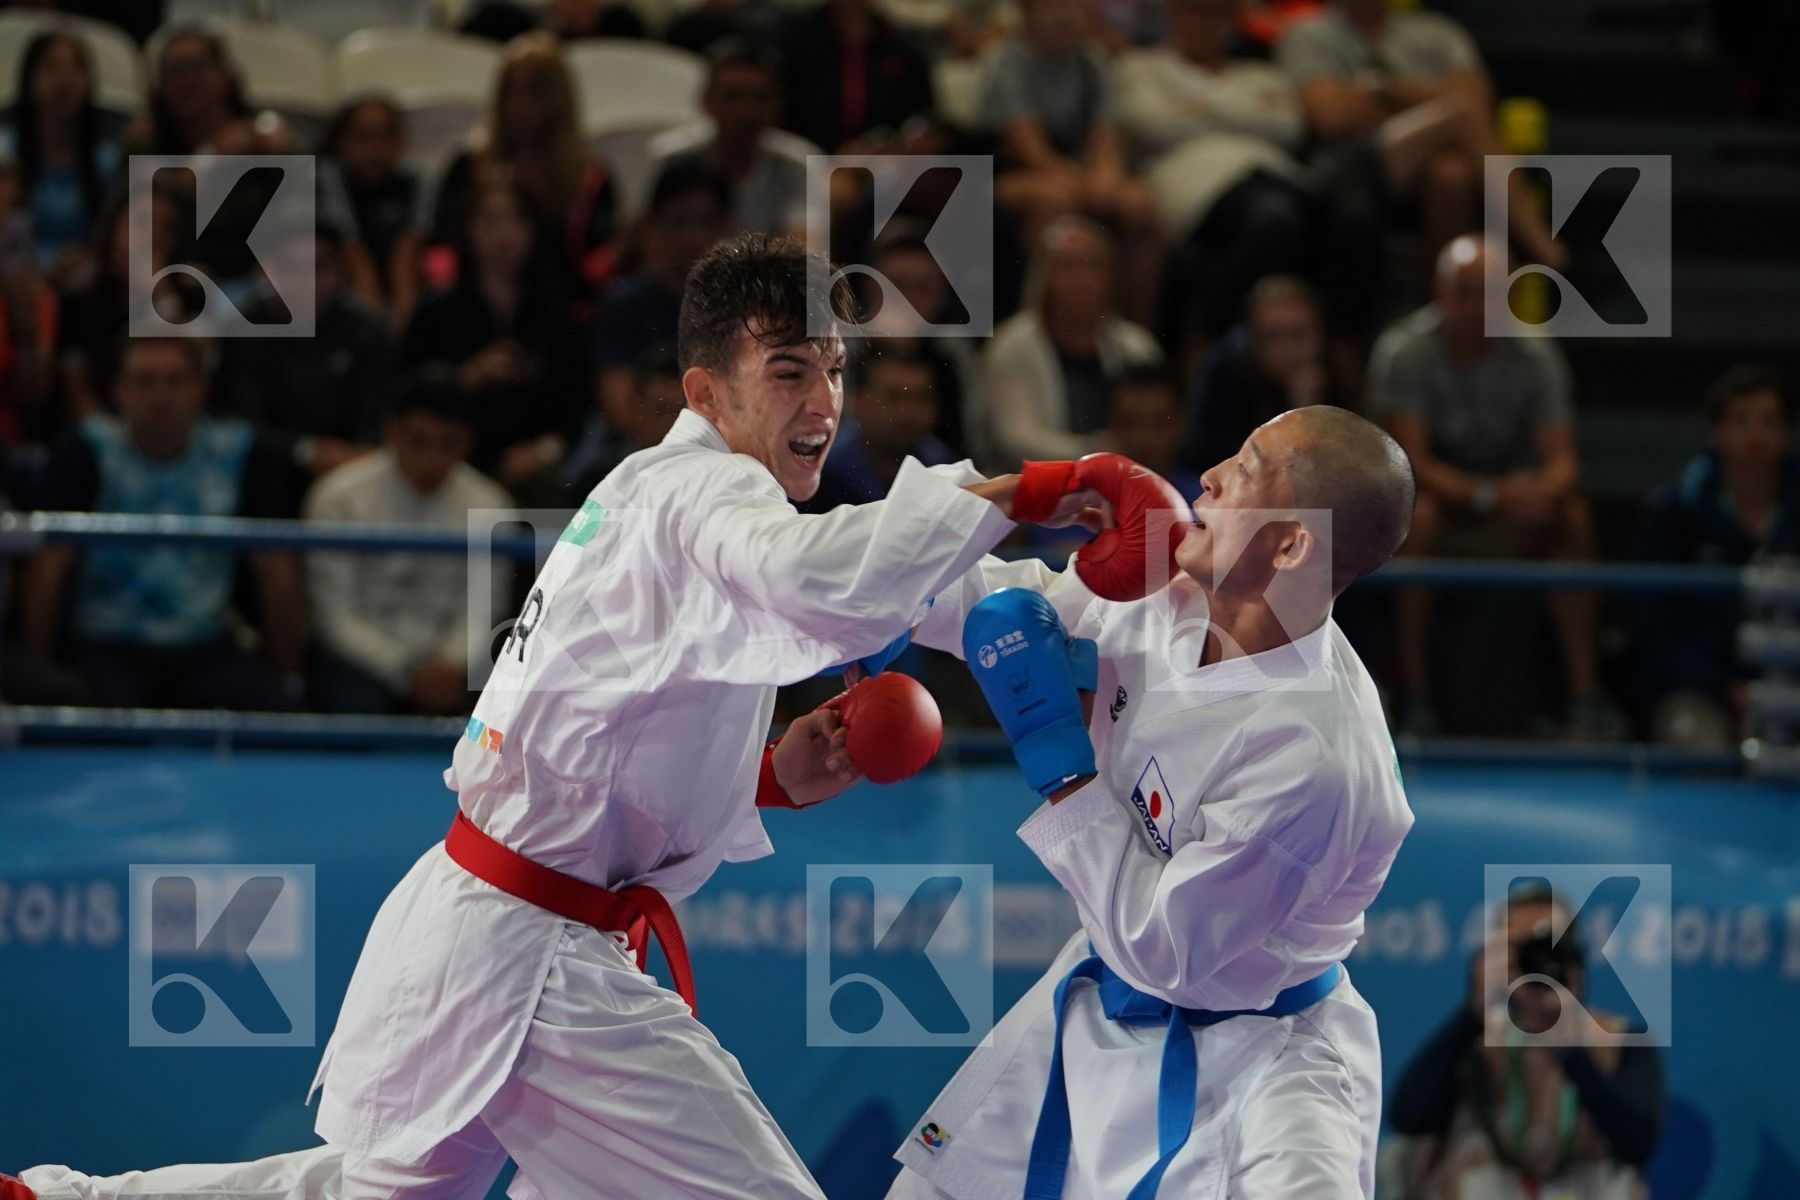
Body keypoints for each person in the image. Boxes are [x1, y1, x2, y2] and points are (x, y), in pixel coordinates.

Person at [6, 232, 1118, 1200]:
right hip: (538, 958)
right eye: (787, 370)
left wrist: (772, 772)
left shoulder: (670, 498)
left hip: (490, 923)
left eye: (833, 369)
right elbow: (829, 579)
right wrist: (1029, 489)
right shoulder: (702, 497)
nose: (823, 403)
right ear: (704, 391)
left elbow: (621, 717)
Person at [888, 404, 1418, 1198]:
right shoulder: (1168, 588)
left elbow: (1164, 951)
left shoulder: (1316, 757)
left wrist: (1060, 766)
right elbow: (959, 602)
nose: (1207, 475)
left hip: (1261, 1067)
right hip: (1093, 1006)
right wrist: (1018, 495)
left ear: (1292, 542)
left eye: (1245, 467)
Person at [1372, 237, 1615, 739]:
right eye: (1466, 292)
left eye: (1490, 293)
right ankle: (1413, 696)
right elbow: (1407, 463)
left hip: (1507, 513)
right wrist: (1490, 494)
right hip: (1437, 514)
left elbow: (1564, 461)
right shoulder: (1407, 353)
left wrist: (1537, 493)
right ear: (1439, 292)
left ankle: (1584, 699)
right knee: (1419, 519)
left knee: (1572, 519)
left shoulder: (1534, 356)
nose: (1478, 306)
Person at [18, 336, 305, 710]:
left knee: (276, 709)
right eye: (145, 381)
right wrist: (39, 672)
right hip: (107, 644)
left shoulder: (240, 453)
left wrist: (289, 673)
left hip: (205, 644)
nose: (161, 396)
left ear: (201, 387)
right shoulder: (86, 452)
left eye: (175, 380)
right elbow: (46, 571)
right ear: (119, 389)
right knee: (77, 706)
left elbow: (276, 573)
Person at [1388, 883, 1665, 1199]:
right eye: (1522, 951)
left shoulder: (1618, 1041)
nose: (1537, 964)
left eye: (1549, 947)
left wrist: (1570, 1049)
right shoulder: (1475, 1044)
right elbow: (1409, 1117)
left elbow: (1638, 1142)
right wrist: (1472, 1014)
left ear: (1573, 959)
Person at [1276, 0, 1563, 274]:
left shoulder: (1436, 31)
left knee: (1451, 175)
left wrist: (1387, 91)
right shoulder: (1309, 33)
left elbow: (1478, 98)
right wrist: (1435, 101)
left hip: (1431, 161)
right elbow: (1331, 116)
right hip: (1352, 164)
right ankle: (1544, 249)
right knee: (1459, 116)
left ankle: (1445, 300)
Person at [304, 369, 515, 716]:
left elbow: (482, 611)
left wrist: (453, 665)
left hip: (456, 666)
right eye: (418, 440)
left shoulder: (491, 504)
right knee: (356, 705)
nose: (432, 459)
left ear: (468, 442)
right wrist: (407, 670)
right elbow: (336, 617)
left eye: (448, 443)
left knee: (503, 714)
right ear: (392, 433)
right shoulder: (338, 498)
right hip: (360, 664)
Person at [1115, 0, 1310, 354]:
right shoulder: (1139, 67)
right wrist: (1248, 112)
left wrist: (1196, 107)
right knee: (1276, 221)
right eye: (1197, 10)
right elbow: (1150, 123)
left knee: (1347, 218)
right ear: (1172, 13)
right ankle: (1201, 332)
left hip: (1278, 179)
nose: (1207, 23)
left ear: (1235, 21)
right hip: (1197, 189)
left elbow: (1289, 126)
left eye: (1219, 13)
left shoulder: (1263, 74)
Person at [1632, 365, 1800, 746]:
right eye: (1741, 421)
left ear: (1787, 434)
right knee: (1694, 741)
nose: (1755, 435)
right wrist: (1724, 686)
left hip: (1791, 690)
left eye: (1769, 421)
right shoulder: (1674, 515)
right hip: (1700, 693)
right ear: (1716, 432)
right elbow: (1654, 631)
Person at [405, 171, 586, 501]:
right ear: (468, 230)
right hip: (451, 462)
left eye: (516, 220)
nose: (503, 236)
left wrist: (542, 451)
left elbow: (577, 408)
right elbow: (407, 400)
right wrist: (465, 378)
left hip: (537, 468)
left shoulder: (560, 315)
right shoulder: (434, 313)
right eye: (489, 220)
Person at [980, 0, 1163, 323]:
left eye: (1073, 7)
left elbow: (1106, 141)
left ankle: (1136, 331)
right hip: (1009, 175)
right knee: (1056, 201)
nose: (1064, 16)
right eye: (1051, 7)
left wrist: (1104, 181)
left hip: (1076, 175)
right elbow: (1031, 152)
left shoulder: (1095, 63)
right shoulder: (1006, 64)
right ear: (1027, 15)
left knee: (1139, 204)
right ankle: (1040, 325)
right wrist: (1088, 186)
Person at [428, 33, 620, 301]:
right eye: (511, 91)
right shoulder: (470, 165)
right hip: (476, 305)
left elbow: (597, 266)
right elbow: (442, 248)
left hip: (562, 312)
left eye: (534, 92)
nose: (519, 104)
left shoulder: (590, 177)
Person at [213, 221, 398, 493]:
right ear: (269, 270)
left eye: (317, 267)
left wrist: (351, 454)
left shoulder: (369, 331)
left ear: (337, 270)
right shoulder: (243, 327)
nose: (305, 281)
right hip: (265, 470)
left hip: (354, 467)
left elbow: (375, 414)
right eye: (292, 268)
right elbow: (239, 418)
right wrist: (304, 450)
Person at [986, 215, 1163, 465]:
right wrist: (1093, 451)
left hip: (1124, 474)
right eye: (1068, 266)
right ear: (1043, 277)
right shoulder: (1012, 346)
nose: (1081, 279)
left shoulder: (1137, 346)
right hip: (1033, 481)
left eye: (1092, 266)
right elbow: (1015, 437)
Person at [589, 157, 731, 467]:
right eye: (679, 221)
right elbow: (620, 408)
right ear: (651, 227)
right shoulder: (624, 303)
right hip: (642, 451)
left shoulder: (745, 306)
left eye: (706, 222)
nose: (693, 237)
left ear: (727, 227)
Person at [647, 38, 814, 237]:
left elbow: (804, 246)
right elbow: (649, 238)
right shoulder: (671, 158)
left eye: (760, 97)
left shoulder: (798, 165)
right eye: (732, 96)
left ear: (778, 104)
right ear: (706, 100)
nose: (746, 111)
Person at [1186, 274, 1348, 473]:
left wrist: (1308, 405)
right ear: (1251, 340)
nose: (1286, 350)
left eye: (1298, 334)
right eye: (1272, 337)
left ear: (1321, 333)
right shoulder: (1225, 379)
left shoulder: (1342, 378)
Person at [0, 30, 121, 288]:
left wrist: (89, 256)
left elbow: (110, 235)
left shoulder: (106, 158)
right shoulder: (6, 148)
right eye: (51, 68)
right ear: (29, 79)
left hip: (82, 280)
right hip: (15, 277)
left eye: (75, 69)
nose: (63, 81)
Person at [316, 94, 430, 328]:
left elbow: (405, 257)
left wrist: (399, 329)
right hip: (342, 297)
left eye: (385, 136)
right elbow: (355, 257)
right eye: (362, 137)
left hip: (404, 297)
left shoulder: (416, 180)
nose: (374, 149)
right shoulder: (328, 177)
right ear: (341, 142)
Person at [777, 0, 936, 155]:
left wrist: (890, 148)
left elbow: (921, 115)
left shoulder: (900, 46)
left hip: (887, 162)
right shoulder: (796, 39)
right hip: (809, 158)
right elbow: (780, 111)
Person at [806, 347, 953, 511]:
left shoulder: (945, 467)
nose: (907, 411)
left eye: (921, 398)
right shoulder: (820, 470)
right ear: (857, 401)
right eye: (893, 397)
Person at [559, 347, 686, 498]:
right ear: (636, 405)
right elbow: (586, 523)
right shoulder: (601, 481)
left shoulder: (709, 477)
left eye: (678, 412)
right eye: (660, 410)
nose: (671, 424)